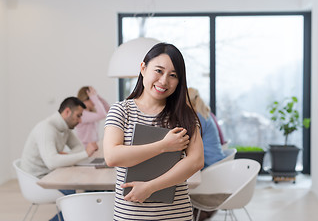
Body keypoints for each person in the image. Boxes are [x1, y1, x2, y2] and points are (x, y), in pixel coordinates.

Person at [103, 43, 204, 221]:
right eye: (158, 71)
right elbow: (112, 156)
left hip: (176, 215)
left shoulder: (184, 115)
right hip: (131, 215)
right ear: (143, 68)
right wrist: (163, 146)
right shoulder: (121, 110)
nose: (164, 81)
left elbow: (196, 161)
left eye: (173, 75)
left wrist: (150, 187)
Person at [21, 97, 98, 221]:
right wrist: (85, 154)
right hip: (38, 182)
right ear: (67, 112)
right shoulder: (46, 129)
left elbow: (78, 147)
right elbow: (52, 162)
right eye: (78, 116)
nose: (80, 120)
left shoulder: (64, 128)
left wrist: (64, 156)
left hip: (51, 175)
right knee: (76, 199)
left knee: (87, 192)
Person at [188, 87, 226, 169]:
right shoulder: (204, 114)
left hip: (211, 165)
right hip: (216, 161)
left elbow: (192, 141)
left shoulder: (198, 118)